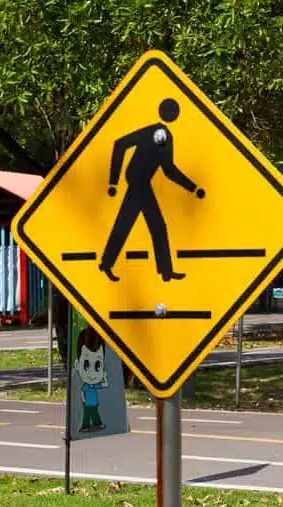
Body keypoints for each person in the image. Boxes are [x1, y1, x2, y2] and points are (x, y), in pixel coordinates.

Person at [100, 97, 204, 282]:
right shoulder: (151, 131)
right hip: (136, 180)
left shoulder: (167, 137)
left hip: (141, 183)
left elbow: (169, 170)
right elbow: (119, 144)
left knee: (129, 224)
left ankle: (108, 264)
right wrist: (113, 181)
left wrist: (193, 188)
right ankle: (164, 271)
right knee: (152, 225)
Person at [75, 327, 109, 432]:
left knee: (95, 414)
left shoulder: (94, 385)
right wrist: (84, 400)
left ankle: (97, 424)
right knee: (87, 415)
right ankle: (85, 426)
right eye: (86, 365)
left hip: (94, 403)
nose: (92, 374)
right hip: (88, 404)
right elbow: (82, 393)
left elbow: (105, 385)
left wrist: (104, 378)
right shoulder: (86, 386)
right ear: (77, 364)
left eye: (98, 366)